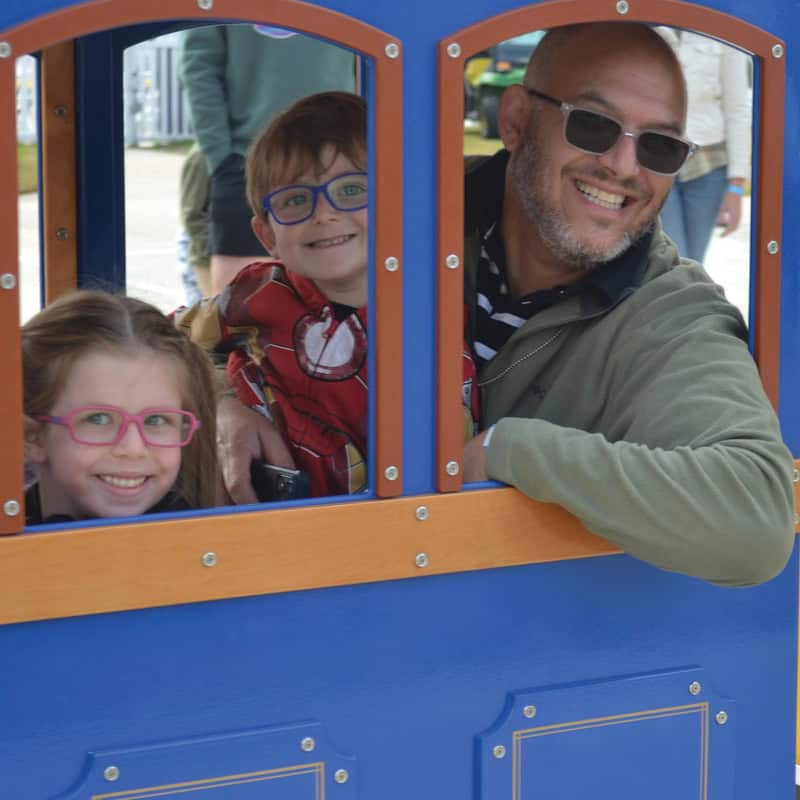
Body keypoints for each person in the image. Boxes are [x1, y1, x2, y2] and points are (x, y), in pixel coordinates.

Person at [459, 22, 794, 587]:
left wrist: (507, 449)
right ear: (516, 119)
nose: (622, 166)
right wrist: (248, 406)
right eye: (592, 125)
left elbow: (755, 518)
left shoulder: (672, 312)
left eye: (659, 146)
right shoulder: (404, 215)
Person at [175, 91, 479, 502]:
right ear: (267, 237)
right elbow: (165, 342)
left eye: (353, 190)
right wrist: (221, 403)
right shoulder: (257, 292)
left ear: (404, 206)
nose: (324, 214)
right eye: (296, 201)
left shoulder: (436, 308)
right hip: (250, 508)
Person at [179, 24, 357, 294]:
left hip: (339, 155)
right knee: (242, 303)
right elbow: (199, 68)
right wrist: (221, 159)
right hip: (243, 158)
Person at [22, 291, 219, 524]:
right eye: (99, 419)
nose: (133, 448)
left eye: (156, 420)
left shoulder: (206, 546)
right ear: (31, 437)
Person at [658, 28, 752, 262]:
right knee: (672, 260)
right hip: (656, 159)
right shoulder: (650, 26)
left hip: (707, 168)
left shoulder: (724, 32)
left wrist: (736, 186)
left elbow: (737, 110)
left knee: (693, 262)